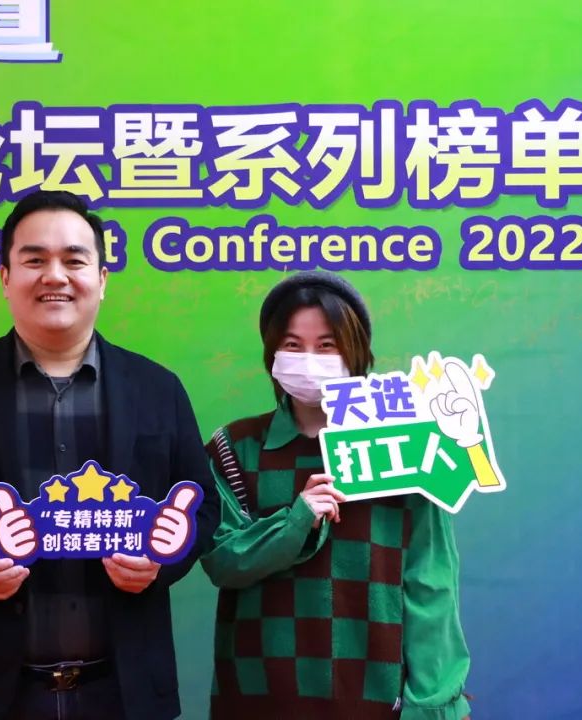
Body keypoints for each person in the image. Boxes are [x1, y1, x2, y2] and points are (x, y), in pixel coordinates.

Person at [0, 190, 219, 720]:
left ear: (102, 279)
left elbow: (203, 506)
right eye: (34, 260)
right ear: (5, 277)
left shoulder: (157, 389)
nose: (55, 276)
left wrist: (161, 560)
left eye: (74, 260)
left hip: (124, 693)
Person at [201, 271, 471, 720]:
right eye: (292, 344)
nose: (308, 360)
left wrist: (432, 704)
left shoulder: (408, 447)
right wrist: (297, 520)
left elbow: (431, 583)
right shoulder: (235, 447)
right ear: (272, 353)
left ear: (356, 351)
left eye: (327, 345)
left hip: (375, 697)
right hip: (259, 694)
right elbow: (222, 560)